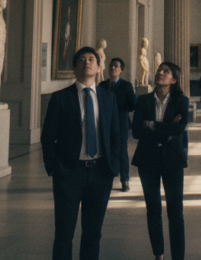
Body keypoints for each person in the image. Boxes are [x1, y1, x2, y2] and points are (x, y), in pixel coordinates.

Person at [41, 46, 121, 260]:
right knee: (64, 234)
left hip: (100, 173)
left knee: (93, 234)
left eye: (92, 59)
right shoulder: (60, 98)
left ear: (98, 67)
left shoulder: (108, 98)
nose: (87, 62)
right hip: (69, 173)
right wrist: (54, 169)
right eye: (82, 60)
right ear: (75, 68)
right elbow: (48, 137)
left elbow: (115, 135)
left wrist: (113, 167)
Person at [132, 62, 190, 260]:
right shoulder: (143, 100)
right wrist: (165, 129)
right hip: (147, 160)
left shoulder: (181, 101)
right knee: (153, 208)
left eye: (166, 71)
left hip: (172, 160)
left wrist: (151, 125)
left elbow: (179, 129)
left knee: (176, 211)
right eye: (159, 70)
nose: (160, 72)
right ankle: (158, 254)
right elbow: (136, 131)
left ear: (173, 80)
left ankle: (178, 257)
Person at [99, 57, 137, 192]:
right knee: (105, 150)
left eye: (116, 66)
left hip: (121, 123)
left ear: (121, 70)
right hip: (105, 124)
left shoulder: (126, 86)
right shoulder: (102, 85)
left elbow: (133, 104)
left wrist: (120, 108)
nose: (113, 68)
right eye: (111, 66)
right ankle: (105, 178)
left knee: (121, 152)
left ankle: (125, 179)